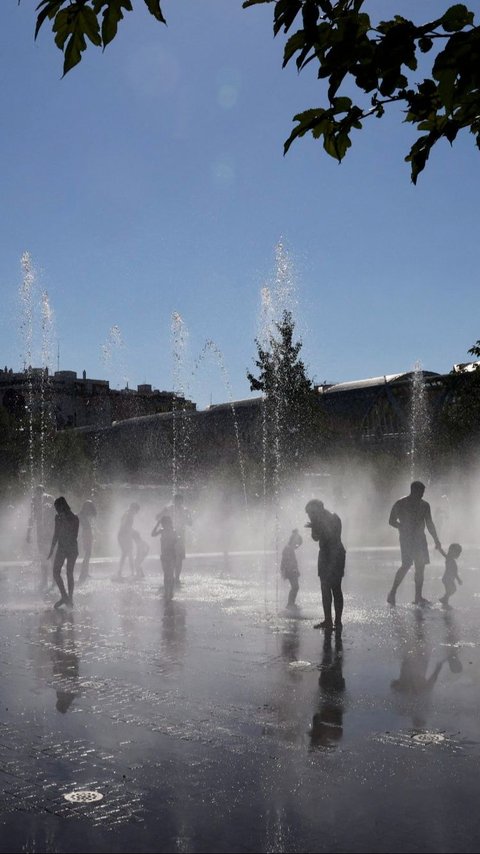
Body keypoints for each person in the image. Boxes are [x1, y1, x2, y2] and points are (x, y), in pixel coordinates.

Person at [387, 481, 442, 607]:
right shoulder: (401, 503)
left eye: (423, 492)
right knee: (406, 565)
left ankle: (418, 597)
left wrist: (436, 539)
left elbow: (429, 524)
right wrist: (402, 527)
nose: (422, 494)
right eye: (421, 492)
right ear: (414, 491)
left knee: (420, 567)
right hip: (406, 539)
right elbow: (391, 521)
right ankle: (392, 592)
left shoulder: (425, 505)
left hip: (420, 539)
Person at [305, 499, 346, 632]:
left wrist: (316, 526)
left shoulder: (333, 518)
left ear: (318, 509)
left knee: (335, 588)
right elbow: (316, 538)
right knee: (325, 587)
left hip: (334, 554)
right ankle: (329, 620)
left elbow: (331, 536)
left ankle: (337, 620)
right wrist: (315, 526)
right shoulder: (321, 520)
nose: (309, 516)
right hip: (326, 554)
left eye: (310, 513)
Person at [47, 497, 79, 609]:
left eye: (57, 508)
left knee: (69, 573)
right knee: (55, 572)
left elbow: (74, 535)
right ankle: (64, 596)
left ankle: (70, 598)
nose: (56, 510)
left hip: (71, 548)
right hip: (61, 548)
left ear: (62, 506)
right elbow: (56, 534)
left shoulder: (75, 518)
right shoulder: (58, 518)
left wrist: (65, 521)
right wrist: (51, 549)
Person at [26, 485, 55, 590]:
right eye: (37, 492)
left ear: (43, 491)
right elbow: (32, 517)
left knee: (48, 557)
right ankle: (47, 582)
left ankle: (49, 582)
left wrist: (28, 533)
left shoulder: (47, 499)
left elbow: (56, 513)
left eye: (39, 492)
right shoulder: (37, 500)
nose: (38, 494)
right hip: (45, 531)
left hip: (48, 531)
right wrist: (28, 532)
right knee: (46, 557)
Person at [160, 494, 192, 585]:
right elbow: (159, 518)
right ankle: (170, 576)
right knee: (171, 557)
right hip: (170, 536)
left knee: (180, 558)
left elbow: (190, 523)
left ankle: (177, 577)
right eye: (177, 501)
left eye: (180, 501)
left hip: (181, 536)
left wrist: (188, 516)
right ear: (174, 501)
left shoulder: (185, 510)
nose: (179, 503)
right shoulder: (169, 508)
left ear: (182, 501)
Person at [151, 514, 177, 601]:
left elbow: (176, 539)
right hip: (164, 555)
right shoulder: (162, 530)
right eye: (164, 523)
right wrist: (157, 524)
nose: (166, 525)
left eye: (167, 523)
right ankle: (167, 592)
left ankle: (171, 592)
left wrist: (176, 539)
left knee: (171, 574)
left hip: (172, 555)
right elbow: (152, 534)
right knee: (166, 574)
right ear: (163, 524)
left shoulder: (173, 531)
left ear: (170, 523)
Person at [115, 502, 140, 580]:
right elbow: (125, 526)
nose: (137, 513)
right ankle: (130, 572)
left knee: (127, 554)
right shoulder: (129, 514)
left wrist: (132, 531)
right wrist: (133, 531)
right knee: (127, 553)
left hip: (124, 536)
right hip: (124, 536)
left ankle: (122, 572)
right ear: (134, 509)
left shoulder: (127, 513)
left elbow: (125, 526)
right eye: (137, 510)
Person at [280, 528, 303, 609]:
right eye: (297, 545)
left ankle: (291, 603)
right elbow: (285, 561)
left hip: (291, 570)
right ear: (294, 541)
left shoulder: (290, 548)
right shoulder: (288, 548)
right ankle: (290, 604)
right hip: (290, 571)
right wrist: (288, 570)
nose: (297, 547)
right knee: (295, 587)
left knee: (295, 587)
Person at [78, 499, 97, 584]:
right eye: (88, 506)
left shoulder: (84, 515)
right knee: (87, 555)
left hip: (87, 535)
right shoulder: (82, 515)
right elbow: (86, 527)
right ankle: (83, 574)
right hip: (86, 536)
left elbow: (90, 526)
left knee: (88, 555)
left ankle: (85, 573)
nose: (89, 508)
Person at [438, 543, 463, 608]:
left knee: (450, 590)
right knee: (452, 589)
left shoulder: (450, 559)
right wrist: (458, 579)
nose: (458, 555)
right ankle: (444, 599)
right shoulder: (449, 559)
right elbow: (455, 573)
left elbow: (455, 572)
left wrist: (458, 579)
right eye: (457, 553)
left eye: (459, 553)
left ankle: (445, 600)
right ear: (452, 552)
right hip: (447, 579)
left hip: (448, 579)